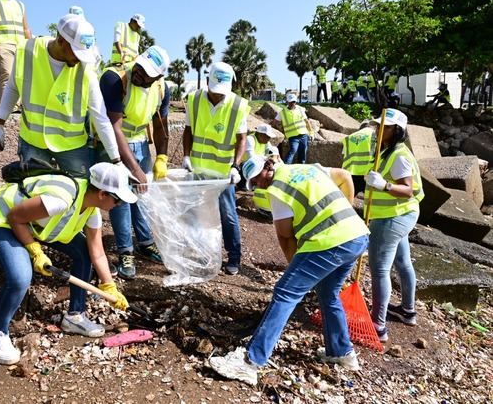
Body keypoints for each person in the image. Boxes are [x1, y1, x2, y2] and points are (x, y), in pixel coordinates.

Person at [208, 156, 370, 385]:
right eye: (252, 184)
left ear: (268, 166)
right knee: (328, 293)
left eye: (258, 178)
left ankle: (250, 362)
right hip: (357, 235)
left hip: (330, 242)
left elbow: (285, 236)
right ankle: (342, 353)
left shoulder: (279, 191)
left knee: (285, 292)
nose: (258, 185)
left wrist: (296, 272)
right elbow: (344, 176)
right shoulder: (309, 168)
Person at [0, 162, 133, 365]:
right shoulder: (60, 200)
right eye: (119, 200)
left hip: (32, 223)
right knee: (20, 277)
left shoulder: (91, 211)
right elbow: (15, 217)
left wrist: (109, 286)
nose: (120, 205)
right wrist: (35, 252)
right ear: (103, 194)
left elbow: (97, 253)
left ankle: (75, 317)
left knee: (84, 252)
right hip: (2, 221)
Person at [0, 15, 121, 180]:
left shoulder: (86, 68)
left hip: (71, 146)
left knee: (79, 191)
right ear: (60, 40)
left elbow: (100, 116)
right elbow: (13, 87)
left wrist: (117, 160)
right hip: (33, 141)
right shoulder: (27, 52)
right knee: (33, 189)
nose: (80, 59)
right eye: (76, 52)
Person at [97, 45, 171, 279]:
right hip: (111, 145)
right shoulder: (114, 79)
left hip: (140, 143)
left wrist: (162, 156)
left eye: (146, 73)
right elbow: (114, 128)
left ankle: (145, 242)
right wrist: (135, 169)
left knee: (141, 194)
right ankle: (125, 251)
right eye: (139, 67)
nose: (138, 73)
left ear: (158, 77)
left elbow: (160, 125)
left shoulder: (162, 88)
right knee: (119, 198)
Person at [182, 61, 249, 275]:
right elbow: (188, 130)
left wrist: (235, 166)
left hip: (222, 173)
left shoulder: (238, 106)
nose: (218, 95)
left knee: (228, 214)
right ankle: (199, 253)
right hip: (198, 170)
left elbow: (242, 138)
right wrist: (185, 156)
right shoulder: (193, 100)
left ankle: (234, 257)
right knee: (194, 212)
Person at [364, 108, 424, 342]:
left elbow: (407, 190)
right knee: (402, 262)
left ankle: (378, 326)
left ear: (397, 131)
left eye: (385, 127)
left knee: (379, 269)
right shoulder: (388, 151)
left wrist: (384, 186)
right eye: (378, 126)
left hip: (393, 217)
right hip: (400, 215)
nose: (379, 130)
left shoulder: (398, 154)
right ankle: (408, 311)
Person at [272, 93, 312, 164]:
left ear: (295, 102)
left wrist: (311, 132)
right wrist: (266, 128)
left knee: (302, 153)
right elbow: (274, 122)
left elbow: (307, 121)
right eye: (290, 102)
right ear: (287, 102)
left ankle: (301, 167)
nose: (292, 103)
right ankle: (285, 167)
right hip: (292, 136)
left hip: (303, 134)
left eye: (293, 102)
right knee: (293, 150)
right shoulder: (282, 112)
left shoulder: (300, 109)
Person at [342, 120, 376, 195]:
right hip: (368, 172)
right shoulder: (375, 135)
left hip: (351, 173)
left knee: (348, 198)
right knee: (370, 199)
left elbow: (343, 154)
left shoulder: (349, 137)